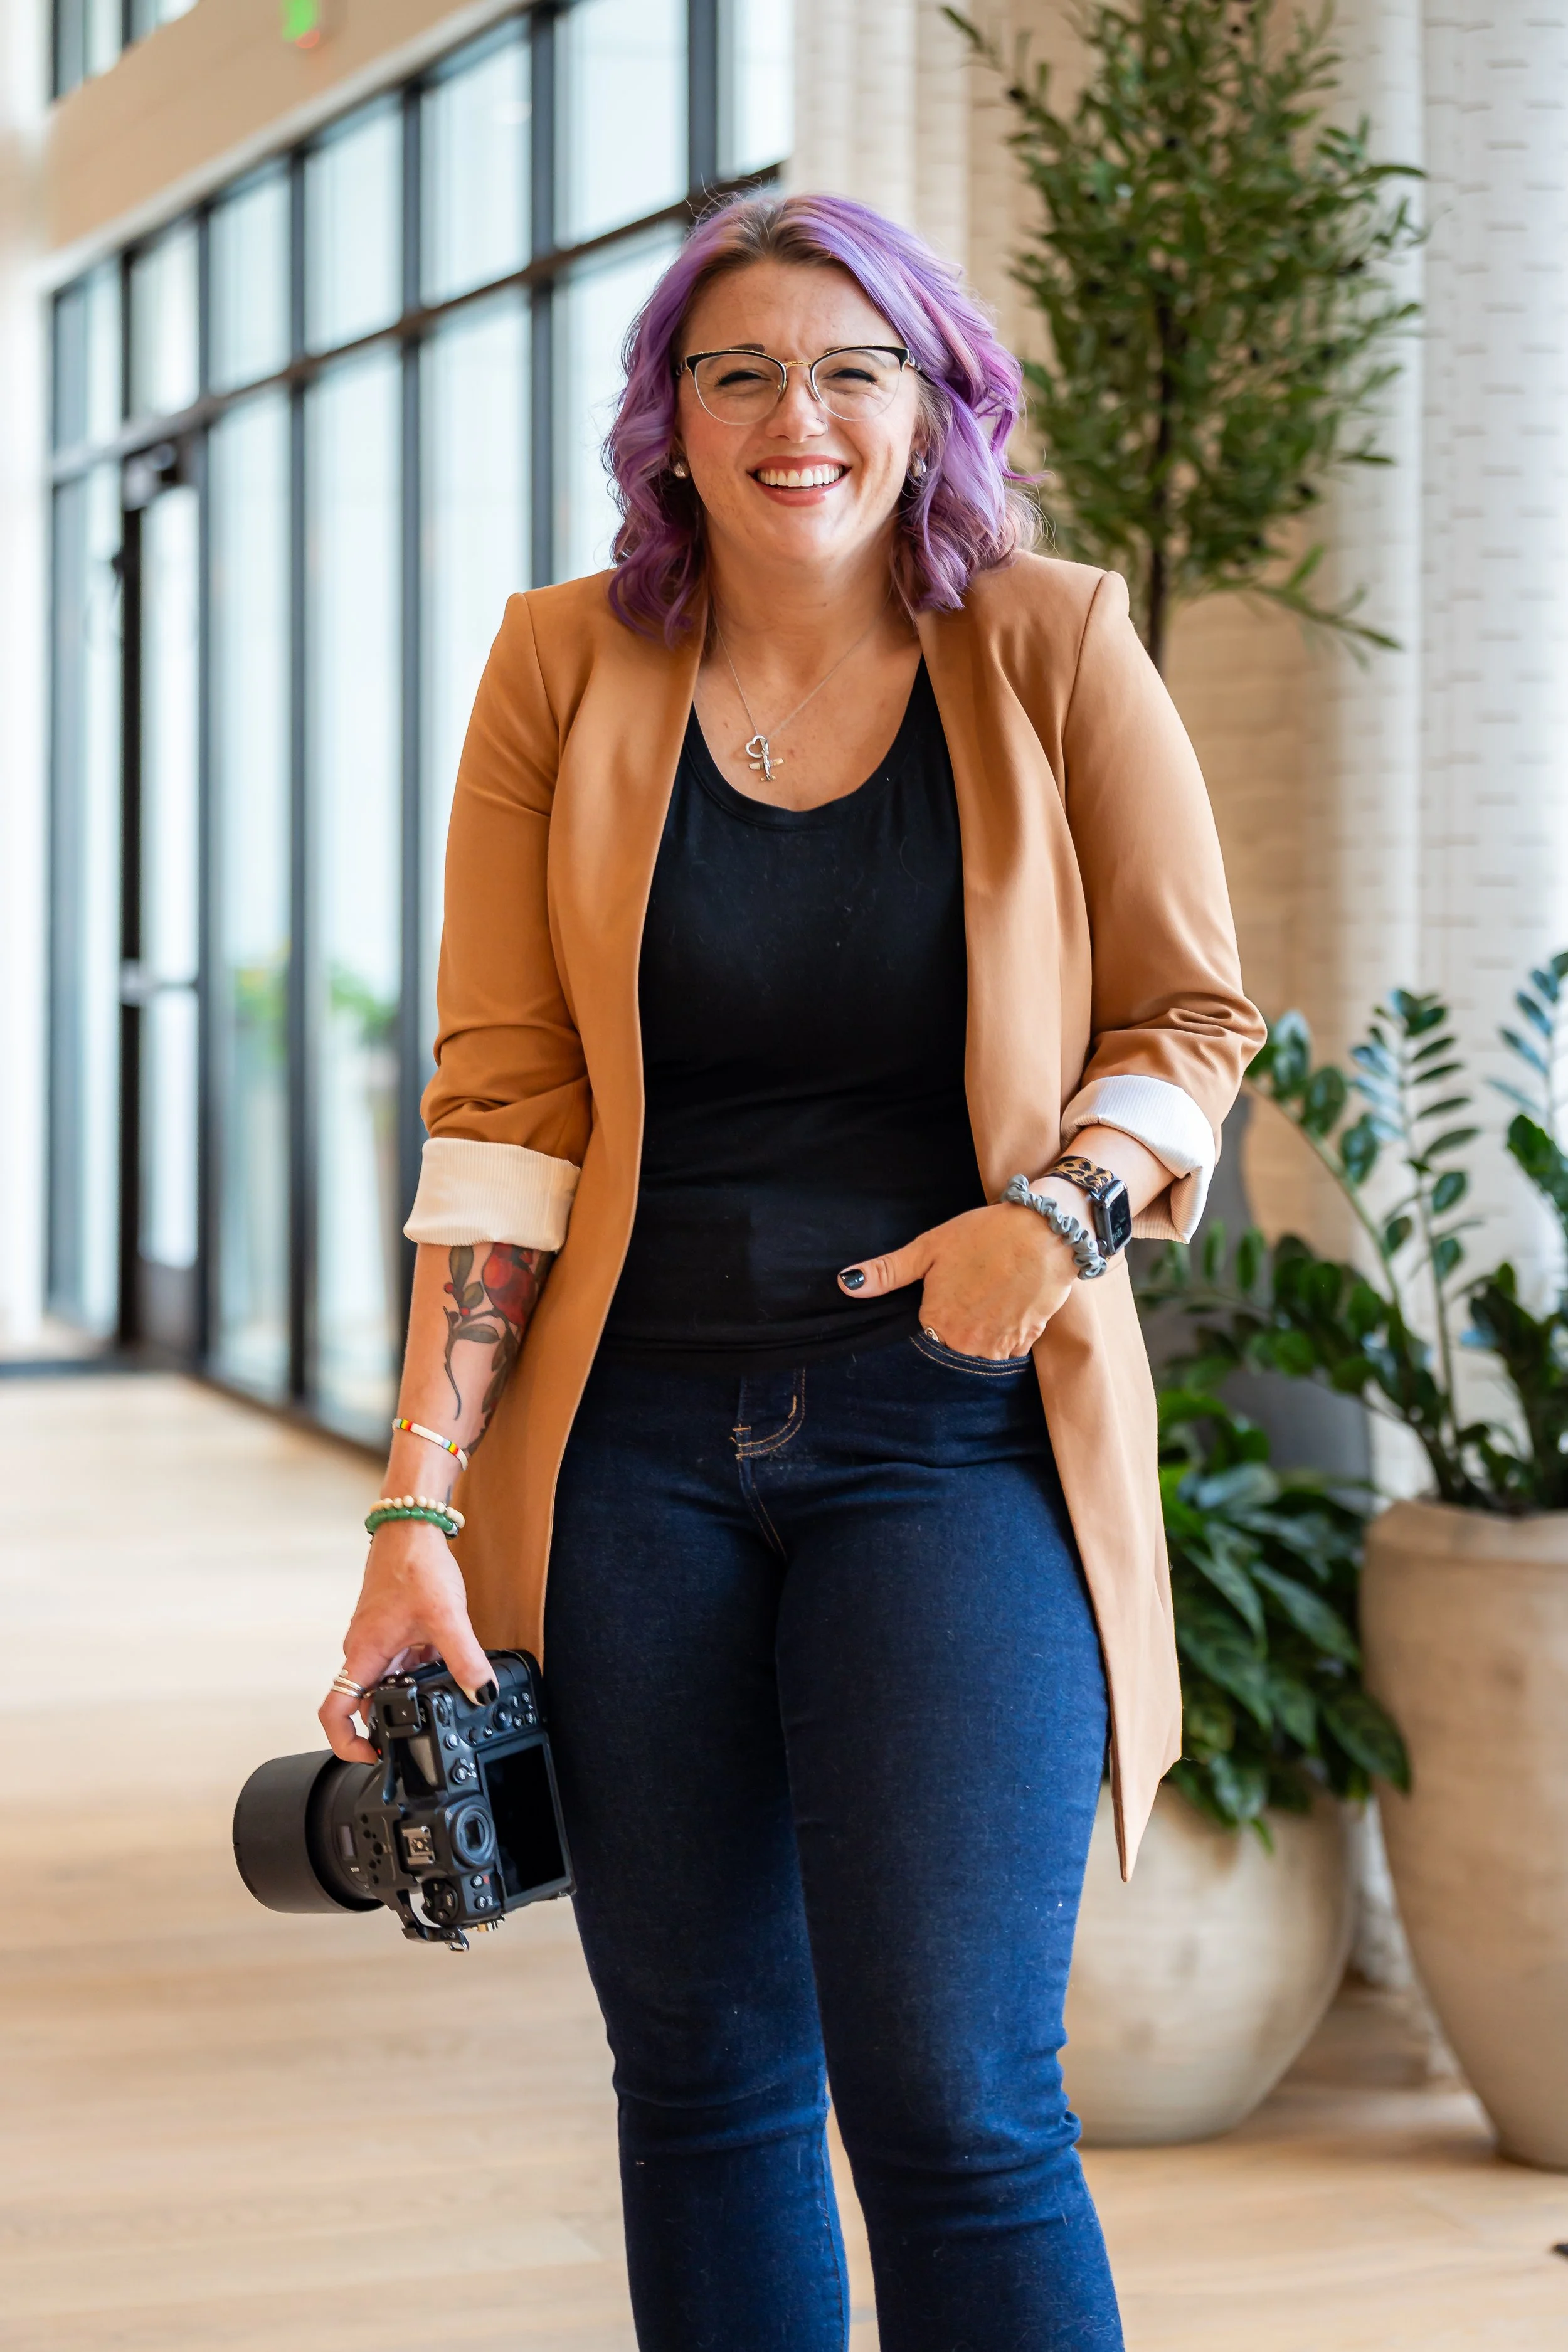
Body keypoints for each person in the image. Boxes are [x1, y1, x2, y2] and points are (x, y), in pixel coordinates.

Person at [321, 192, 1264, 2352]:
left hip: (952, 1436)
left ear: (936, 408)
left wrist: (1058, 1216)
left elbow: (1191, 1017)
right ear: (667, 423)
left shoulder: (1049, 640)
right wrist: (415, 1504)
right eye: (734, 371)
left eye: (852, 368)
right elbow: (503, 1105)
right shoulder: (564, 665)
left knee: (953, 2092)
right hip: (632, 1443)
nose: (795, 415)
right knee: (710, 2079)